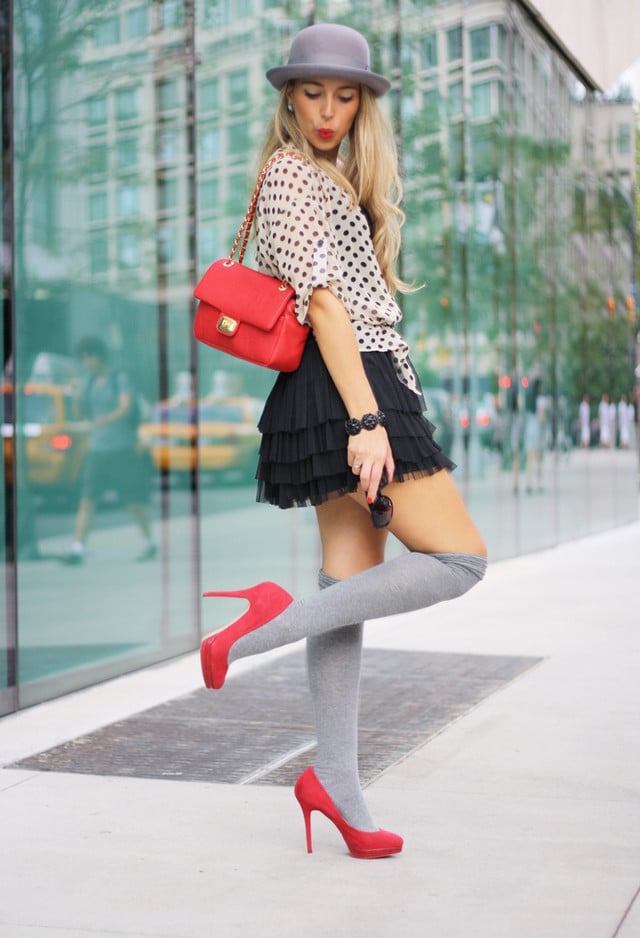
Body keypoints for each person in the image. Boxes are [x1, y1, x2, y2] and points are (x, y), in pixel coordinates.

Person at [200, 24, 486, 859]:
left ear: (362, 103)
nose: (327, 110)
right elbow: (323, 304)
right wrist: (367, 422)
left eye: (345, 94)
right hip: (349, 386)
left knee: (348, 588)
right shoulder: (291, 174)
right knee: (459, 560)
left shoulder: (333, 177)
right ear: (288, 96)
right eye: (312, 92)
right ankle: (259, 627)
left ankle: (336, 784)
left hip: (340, 384)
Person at [63, 336, 157, 565]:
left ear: (100, 355)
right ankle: (78, 548)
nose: (88, 362)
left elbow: (126, 407)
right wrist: (76, 394)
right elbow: (80, 415)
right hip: (97, 449)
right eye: (84, 358)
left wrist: (107, 419)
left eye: (91, 356)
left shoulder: (118, 378)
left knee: (132, 499)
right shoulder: (88, 383)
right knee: (88, 499)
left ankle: (149, 542)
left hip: (122, 448)